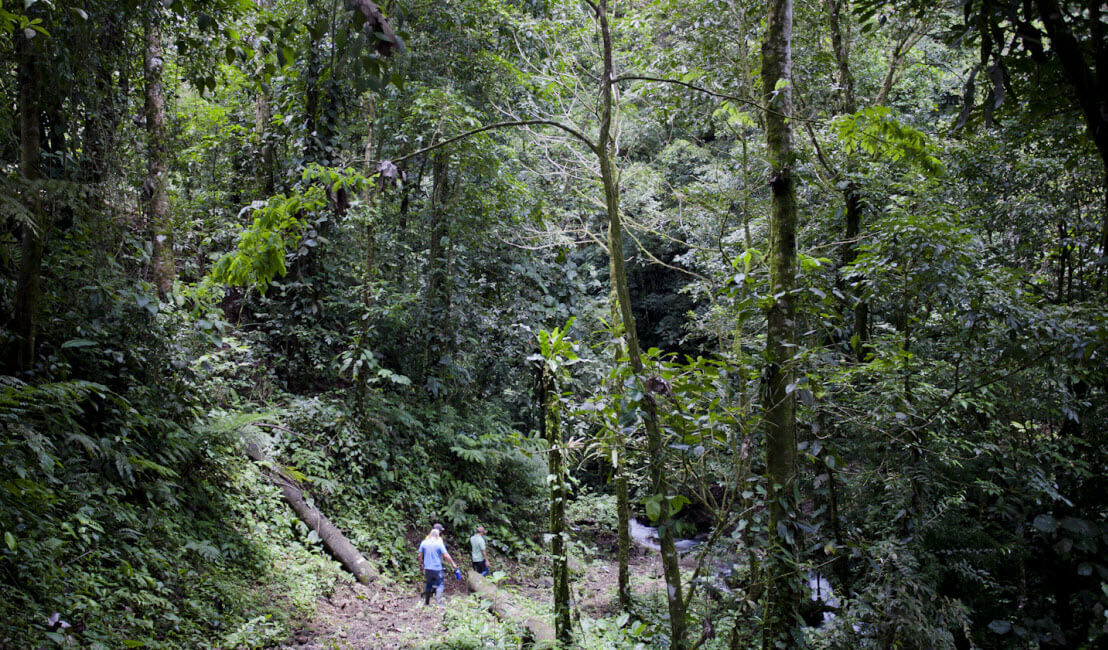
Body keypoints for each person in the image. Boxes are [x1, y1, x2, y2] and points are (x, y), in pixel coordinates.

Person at [417, 524, 459, 606]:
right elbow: (446, 555)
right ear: (437, 535)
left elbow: (419, 555)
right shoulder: (439, 543)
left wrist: (420, 565)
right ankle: (439, 603)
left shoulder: (424, 542)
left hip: (427, 567)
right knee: (440, 584)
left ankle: (427, 603)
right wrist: (453, 564)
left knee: (428, 584)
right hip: (437, 568)